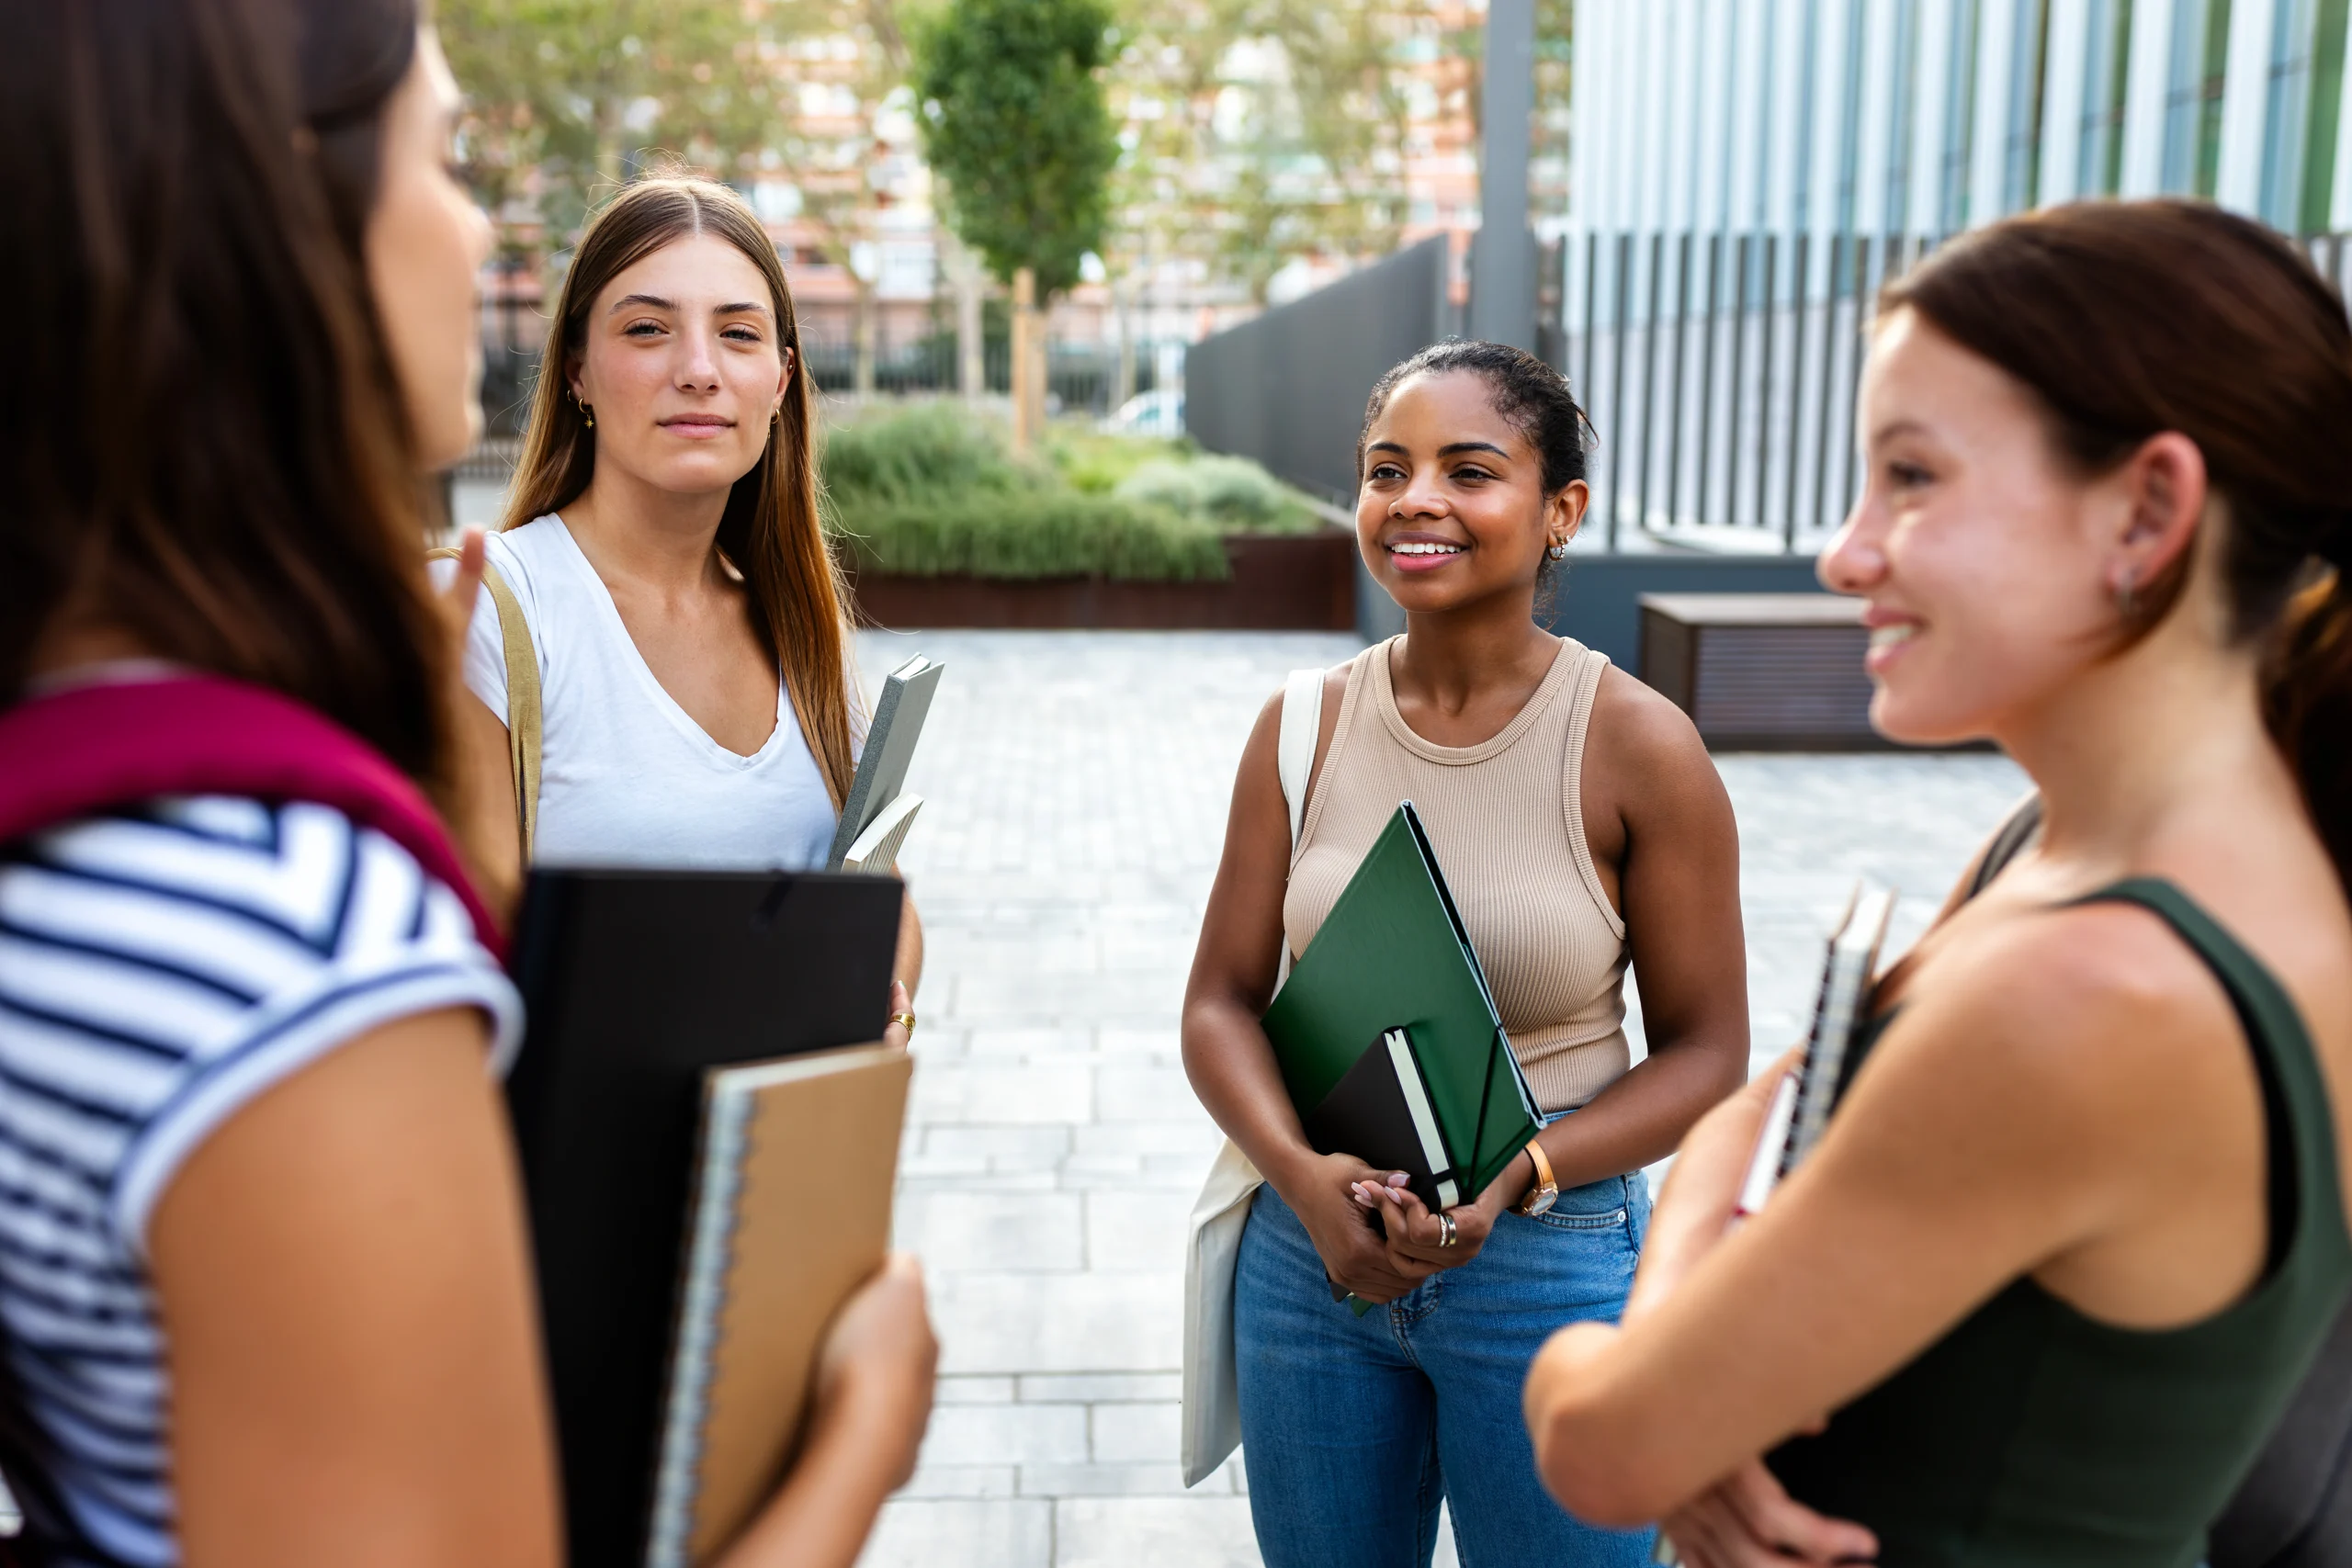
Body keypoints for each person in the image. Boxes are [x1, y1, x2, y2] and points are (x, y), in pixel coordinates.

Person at [0, 3, 934, 1565]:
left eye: (739, 330)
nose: (476, 225)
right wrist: (861, 1440)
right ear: (270, 220)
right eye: (444, 159)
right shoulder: (293, 933)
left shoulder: (120, 815)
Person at [1522, 199, 2352, 1568]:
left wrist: (1671, 1333)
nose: (1845, 552)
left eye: (1910, 476)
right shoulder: (2087, 854)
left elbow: (1606, 1442)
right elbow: (1797, 1092)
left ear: (2148, 508)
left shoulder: (2092, 989)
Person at [1182, 341, 1750, 1566]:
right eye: (1388, 469)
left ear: (1562, 511)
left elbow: (1709, 1051)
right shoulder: (1301, 723)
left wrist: (1518, 1176)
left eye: (1470, 469)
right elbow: (1220, 1003)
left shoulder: (1641, 746)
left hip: (1550, 1265)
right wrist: (1298, 1173)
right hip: (1313, 1262)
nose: (1417, 499)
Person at [441, 175, 924, 1017]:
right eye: (648, 328)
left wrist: (885, 1007)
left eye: (738, 334)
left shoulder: (798, 630)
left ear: (779, 383)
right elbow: (453, 952)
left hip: (783, 1149)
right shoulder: (488, 611)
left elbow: (887, 907)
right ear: (577, 372)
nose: (698, 370)